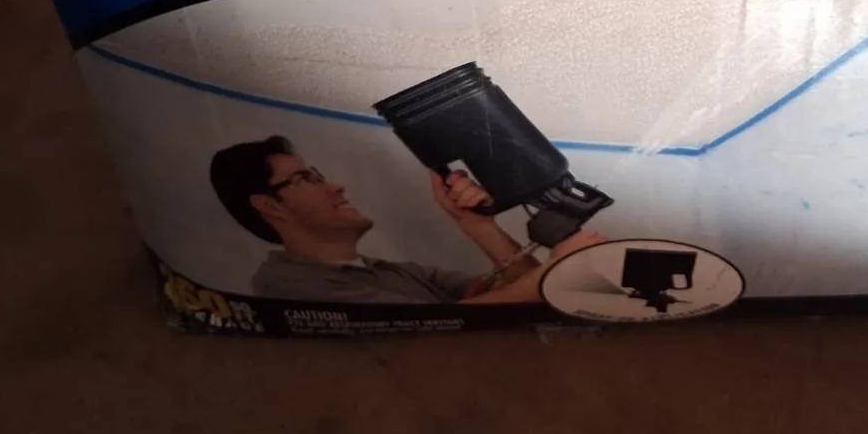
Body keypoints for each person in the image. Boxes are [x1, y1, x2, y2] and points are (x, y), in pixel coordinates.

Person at [208, 135, 602, 304]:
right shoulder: (286, 285)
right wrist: (560, 272)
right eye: (307, 179)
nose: (336, 187)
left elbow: (512, 297)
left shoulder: (399, 274)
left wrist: (477, 225)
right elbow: (430, 327)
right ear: (270, 206)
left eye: (319, 174)